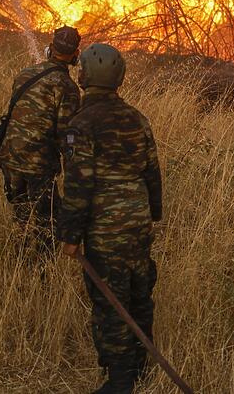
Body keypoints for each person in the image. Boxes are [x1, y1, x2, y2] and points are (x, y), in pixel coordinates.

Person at [59, 43, 163, 394]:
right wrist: (153, 213)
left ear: (83, 75)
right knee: (139, 293)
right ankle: (142, 368)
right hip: (137, 221)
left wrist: (71, 236)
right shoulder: (138, 117)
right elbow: (152, 172)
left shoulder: (80, 125)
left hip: (106, 229)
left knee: (110, 302)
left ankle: (120, 383)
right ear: (119, 78)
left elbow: (78, 187)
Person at [0, 26, 81, 255]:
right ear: (75, 56)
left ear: (49, 49)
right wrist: (74, 169)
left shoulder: (25, 73)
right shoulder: (67, 87)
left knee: (21, 214)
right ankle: (43, 271)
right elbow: (67, 134)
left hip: (10, 156)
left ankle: (18, 258)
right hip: (38, 164)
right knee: (48, 220)